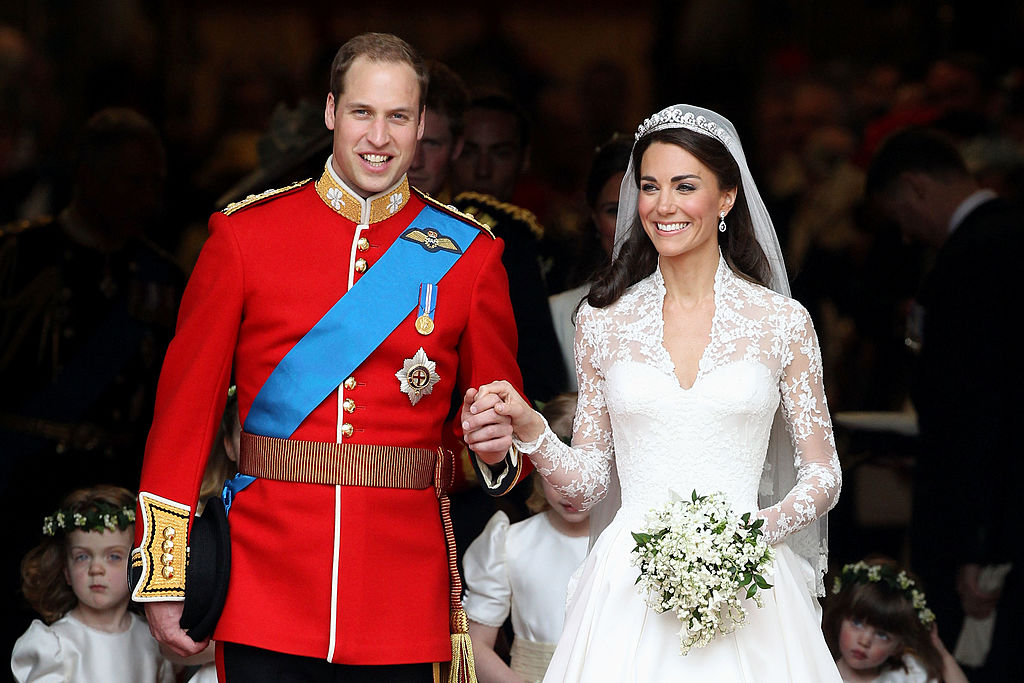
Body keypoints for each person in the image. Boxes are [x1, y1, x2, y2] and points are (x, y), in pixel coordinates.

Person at [132, 32, 527, 682]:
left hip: (402, 598)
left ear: (423, 125)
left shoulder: (471, 257)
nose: (379, 136)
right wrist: (165, 572)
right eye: (362, 113)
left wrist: (494, 449)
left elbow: (500, 443)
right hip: (264, 588)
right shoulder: (243, 238)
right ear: (329, 113)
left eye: (398, 116)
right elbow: (183, 416)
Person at [462, 104, 843, 681]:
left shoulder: (780, 321)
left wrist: (744, 539)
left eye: (684, 186)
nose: (663, 205)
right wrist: (534, 430)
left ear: (726, 199)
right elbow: (589, 483)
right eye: (649, 186)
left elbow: (824, 475)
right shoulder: (603, 319)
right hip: (628, 587)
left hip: (747, 583)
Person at [866, 127, 1022, 681]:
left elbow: (987, 407)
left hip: (985, 521)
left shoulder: (978, 255)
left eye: (899, 215)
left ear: (914, 187)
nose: (906, 235)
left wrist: (980, 546)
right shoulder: (999, 239)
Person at [463, 394, 589, 683]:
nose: (567, 490)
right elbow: (476, 644)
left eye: (578, 477)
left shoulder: (625, 544)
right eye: (554, 473)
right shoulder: (509, 542)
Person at [12, 485, 176, 683]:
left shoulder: (152, 640)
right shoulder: (55, 644)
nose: (96, 569)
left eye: (114, 556)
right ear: (66, 571)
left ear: (137, 565)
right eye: (82, 557)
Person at [547, 134, 632, 390]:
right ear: (594, 218)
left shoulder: (692, 305)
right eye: (614, 211)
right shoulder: (560, 312)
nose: (627, 226)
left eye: (637, 208)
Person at [824, 558, 969, 683]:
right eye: (857, 623)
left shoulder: (909, 674)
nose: (865, 641)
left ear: (898, 646)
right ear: (840, 620)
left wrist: (942, 654)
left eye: (882, 635)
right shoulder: (820, 674)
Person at [407, 60, 468, 202]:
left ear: (457, 148)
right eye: (407, 141)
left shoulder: (476, 223)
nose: (415, 162)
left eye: (431, 144)